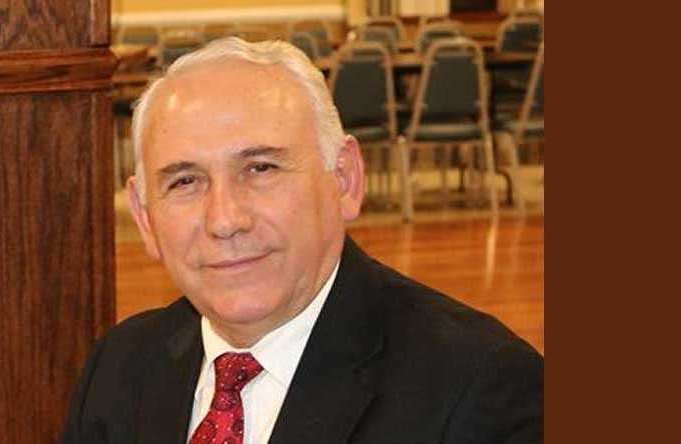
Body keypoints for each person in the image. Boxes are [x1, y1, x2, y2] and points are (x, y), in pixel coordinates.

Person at [61, 37, 543, 444]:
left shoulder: (482, 390)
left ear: (345, 180)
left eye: (261, 168)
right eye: (185, 181)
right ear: (144, 217)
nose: (225, 220)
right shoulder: (118, 368)